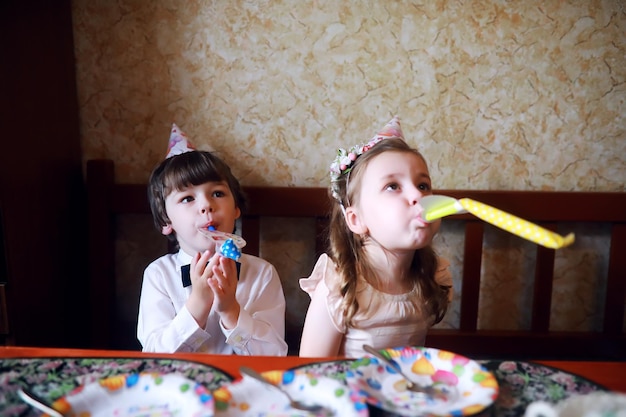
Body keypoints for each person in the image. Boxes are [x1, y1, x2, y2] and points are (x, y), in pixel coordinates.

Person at [299, 116, 452, 358]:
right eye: (393, 186)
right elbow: (310, 372)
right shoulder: (338, 290)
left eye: (423, 186)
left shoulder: (432, 277)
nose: (417, 195)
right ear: (357, 220)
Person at [137, 123, 288, 355]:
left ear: (236, 209)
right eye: (188, 198)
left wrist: (230, 311)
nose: (206, 205)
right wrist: (197, 304)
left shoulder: (262, 274)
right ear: (166, 221)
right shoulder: (158, 276)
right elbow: (155, 355)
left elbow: (274, 355)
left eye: (217, 193)